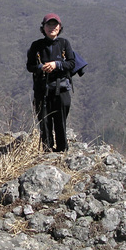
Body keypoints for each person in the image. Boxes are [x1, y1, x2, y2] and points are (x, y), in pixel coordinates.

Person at [26, 13, 75, 152]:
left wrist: (56, 65)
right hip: (43, 90)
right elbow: (30, 66)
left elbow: (71, 63)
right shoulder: (36, 45)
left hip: (61, 89)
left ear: (60, 27)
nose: (52, 27)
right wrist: (41, 67)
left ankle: (62, 150)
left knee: (61, 121)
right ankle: (47, 150)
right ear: (43, 27)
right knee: (45, 122)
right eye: (49, 24)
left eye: (55, 25)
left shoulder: (64, 43)